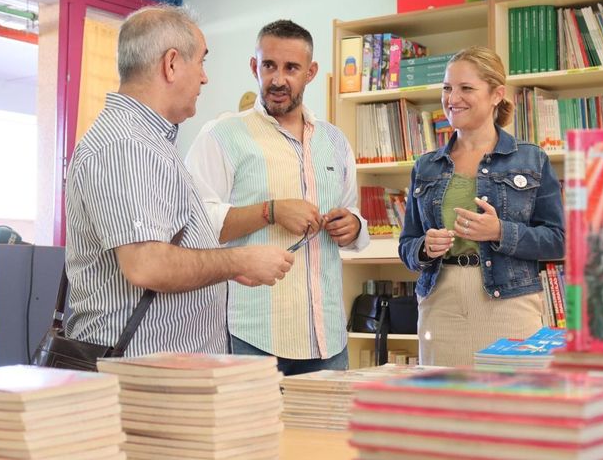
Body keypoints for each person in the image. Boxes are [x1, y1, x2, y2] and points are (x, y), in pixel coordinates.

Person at [64, 5, 294, 357]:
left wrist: (222, 271)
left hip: (163, 374)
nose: (205, 78)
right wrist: (239, 260)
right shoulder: (127, 145)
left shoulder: (149, 141)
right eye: (201, 62)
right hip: (139, 378)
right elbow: (147, 265)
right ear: (171, 64)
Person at [186, 19, 369, 376]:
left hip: (328, 337)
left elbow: (353, 213)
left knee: (326, 434)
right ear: (255, 67)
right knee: (252, 434)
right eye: (269, 65)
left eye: (291, 68)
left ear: (311, 72)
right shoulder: (221, 136)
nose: (278, 79)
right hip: (250, 338)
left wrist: (353, 225)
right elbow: (195, 226)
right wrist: (270, 212)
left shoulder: (335, 142)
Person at [398, 46, 565, 366]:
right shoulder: (426, 166)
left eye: (466, 88)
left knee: (510, 409)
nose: (452, 98)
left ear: (496, 95)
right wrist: (423, 247)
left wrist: (501, 231)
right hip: (440, 302)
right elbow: (407, 244)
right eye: (447, 88)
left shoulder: (531, 159)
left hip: (510, 304)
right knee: (444, 405)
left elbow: (559, 239)